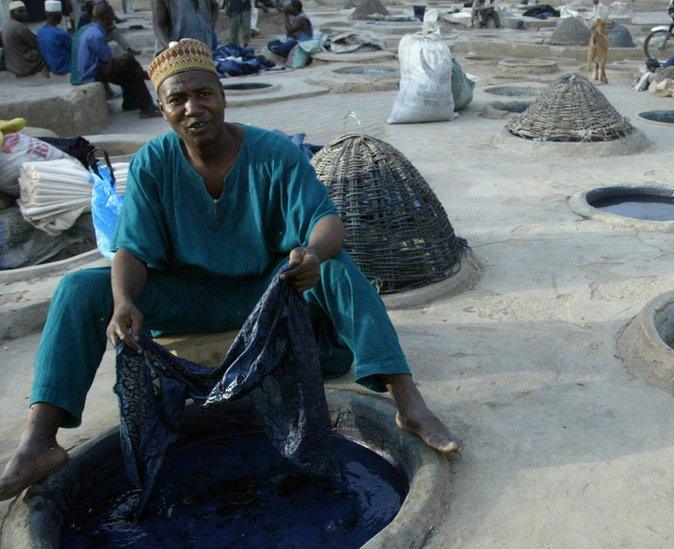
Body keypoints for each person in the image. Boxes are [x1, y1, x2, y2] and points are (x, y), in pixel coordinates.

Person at [0, 38, 459, 502]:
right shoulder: (152, 164)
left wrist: (313, 254)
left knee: (337, 267)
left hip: (267, 294)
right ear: (162, 109)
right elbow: (132, 250)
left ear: (223, 96)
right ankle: (39, 441)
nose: (193, 108)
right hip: (185, 299)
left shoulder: (272, 152)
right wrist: (122, 302)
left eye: (203, 94)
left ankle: (408, 403)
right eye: (177, 99)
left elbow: (326, 221)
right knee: (80, 287)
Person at [75, 2, 160, 117]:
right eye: (111, 16)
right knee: (129, 62)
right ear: (105, 17)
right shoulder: (97, 35)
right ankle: (147, 107)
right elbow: (107, 59)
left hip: (93, 70)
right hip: (91, 74)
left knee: (131, 72)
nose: (114, 19)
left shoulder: (92, 30)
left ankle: (132, 103)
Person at [152, 0, 219, 53]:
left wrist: (209, 28)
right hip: (175, 54)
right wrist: (169, 45)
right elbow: (158, 25)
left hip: (203, 50)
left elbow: (215, 6)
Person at [2, 1, 47, 77]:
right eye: (20, 11)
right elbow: (37, 44)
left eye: (25, 11)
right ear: (12, 14)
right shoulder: (20, 27)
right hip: (24, 66)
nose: (24, 13)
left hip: (12, 66)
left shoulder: (7, 26)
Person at [37, 0, 71, 75]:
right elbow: (75, 49)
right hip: (67, 67)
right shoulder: (61, 34)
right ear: (56, 16)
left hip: (52, 67)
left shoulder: (40, 32)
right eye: (60, 15)